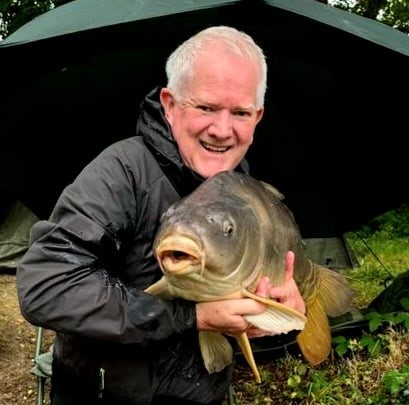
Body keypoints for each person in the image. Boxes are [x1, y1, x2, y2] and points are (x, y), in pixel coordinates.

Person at [17, 25, 305, 405]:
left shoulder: (247, 192)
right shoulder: (122, 172)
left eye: (240, 113)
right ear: (169, 104)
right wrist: (191, 316)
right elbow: (45, 285)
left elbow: (238, 312)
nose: (222, 130)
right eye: (206, 107)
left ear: (258, 117)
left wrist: (270, 315)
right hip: (100, 394)